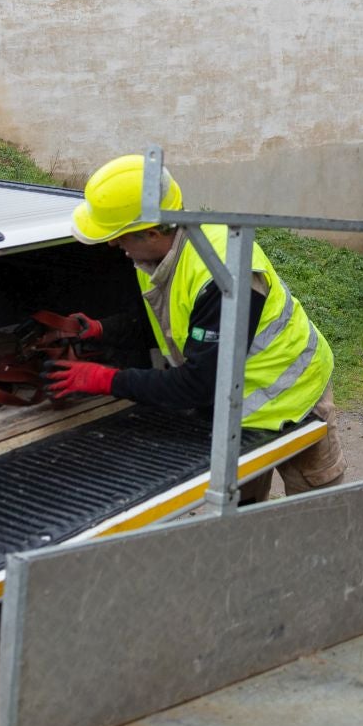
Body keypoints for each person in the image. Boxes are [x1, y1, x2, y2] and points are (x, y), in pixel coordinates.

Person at [44, 154, 344, 503]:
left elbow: (199, 384)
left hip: (295, 399)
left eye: (119, 238)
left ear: (153, 233)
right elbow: (166, 322)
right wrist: (100, 329)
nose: (114, 246)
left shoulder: (223, 273)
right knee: (238, 517)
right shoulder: (154, 257)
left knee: (315, 515)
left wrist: (105, 379)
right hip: (234, 415)